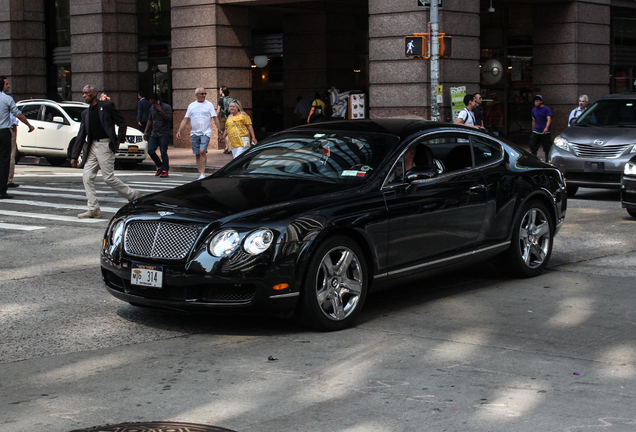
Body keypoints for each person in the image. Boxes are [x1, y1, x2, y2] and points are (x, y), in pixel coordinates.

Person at [70, 85, 140, 218]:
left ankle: (132, 194)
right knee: (87, 176)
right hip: (92, 146)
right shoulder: (85, 113)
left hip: (105, 145)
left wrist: (118, 141)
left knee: (108, 177)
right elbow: (81, 135)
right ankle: (93, 208)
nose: (84, 95)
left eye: (87, 93)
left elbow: (122, 122)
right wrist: (75, 156)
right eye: (83, 93)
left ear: (94, 93)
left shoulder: (107, 106)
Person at [176, 87, 223, 180]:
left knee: (202, 151)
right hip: (194, 133)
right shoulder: (192, 106)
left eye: (205, 93)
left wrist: (220, 131)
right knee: (197, 153)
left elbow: (215, 118)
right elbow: (185, 119)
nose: (204, 95)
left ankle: (202, 173)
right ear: (196, 95)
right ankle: (200, 173)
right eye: (202, 94)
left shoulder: (209, 105)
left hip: (206, 132)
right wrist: (179, 131)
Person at [0, 76, 34, 199]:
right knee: (4, 161)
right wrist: (29, 125)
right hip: (3, 132)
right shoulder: (7, 99)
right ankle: (2, 190)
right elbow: (18, 114)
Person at [144, 93, 173, 178]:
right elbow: (150, 120)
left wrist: (161, 110)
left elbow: (169, 118)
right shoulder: (151, 109)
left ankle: (165, 170)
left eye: (154, 103)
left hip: (164, 133)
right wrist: (145, 132)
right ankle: (159, 165)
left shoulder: (166, 107)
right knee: (150, 150)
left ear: (158, 101)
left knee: (163, 152)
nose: (152, 105)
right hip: (154, 132)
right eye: (151, 103)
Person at [530, 94, 553, 161]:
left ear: (541, 101)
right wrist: (533, 130)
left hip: (545, 132)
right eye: (535, 101)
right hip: (536, 131)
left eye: (537, 101)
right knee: (533, 146)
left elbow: (549, 119)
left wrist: (546, 128)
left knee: (547, 148)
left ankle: (547, 160)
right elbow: (534, 120)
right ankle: (534, 160)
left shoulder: (546, 109)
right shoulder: (534, 110)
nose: (536, 103)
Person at [216, 86, 232, 154]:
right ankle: (226, 147)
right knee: (228, 133)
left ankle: (229, 148)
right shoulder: (230, 99)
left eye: (220, 90)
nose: (219, 91)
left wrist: (215, 117)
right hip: (230, 117)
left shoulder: (220, 99)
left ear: (222, 91)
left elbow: (218, 110)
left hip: (224, 117)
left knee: (224, 134)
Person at [6, 112, 18, 188]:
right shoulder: (7, 105)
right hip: (7, 131)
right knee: (10, 156)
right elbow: (13, 123)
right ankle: (8, 180)